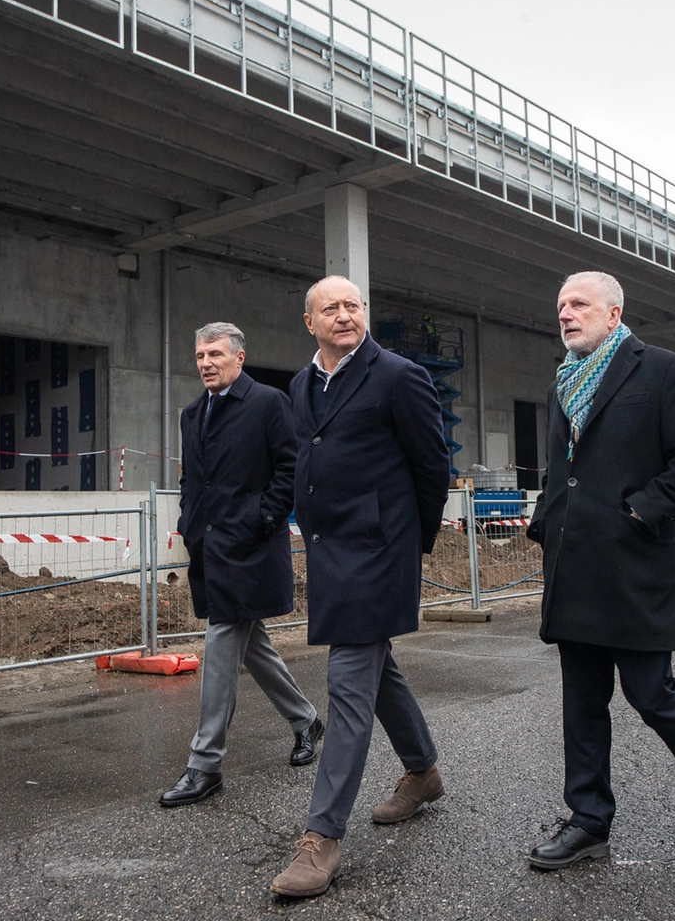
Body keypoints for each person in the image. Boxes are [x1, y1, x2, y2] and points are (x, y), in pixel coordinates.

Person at [524, 271, 675, 870]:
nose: (565, 313)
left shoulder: (663, 369)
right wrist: (545, 520)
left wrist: (641, 510)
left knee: (650, 692)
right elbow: (562, 467)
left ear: (613, 314)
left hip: (635, 562)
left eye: (578, 304)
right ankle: (589, 819)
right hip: (574, 565)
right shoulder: (562, 379)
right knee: (582, 700)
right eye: (560, 305)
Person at [269, 276, 451, 898]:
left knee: (348, 682)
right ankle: (423, 771)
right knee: (378, 670)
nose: (344, 316)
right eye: (331, 309)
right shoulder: (301, 383)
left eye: (353, 306)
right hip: (330, 551)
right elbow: (305, 456)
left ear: (364, 313)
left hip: (379, 552)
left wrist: (408, 546)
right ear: (309, 321)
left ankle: (321, 837)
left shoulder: (398, 376)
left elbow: (433, 468)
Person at [159, 322, 324, 808]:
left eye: (214, 354)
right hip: (211, 547)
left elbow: (291, 468)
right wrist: (190, 522)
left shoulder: (268, 403)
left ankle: (204, 764)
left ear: (239, 357)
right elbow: (192, 480)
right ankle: (306, 720)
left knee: (222, 637)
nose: (205, 362)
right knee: (251, 645)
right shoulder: (192, 415)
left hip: (249, 546)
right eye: (199, 355)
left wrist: (262, 517)